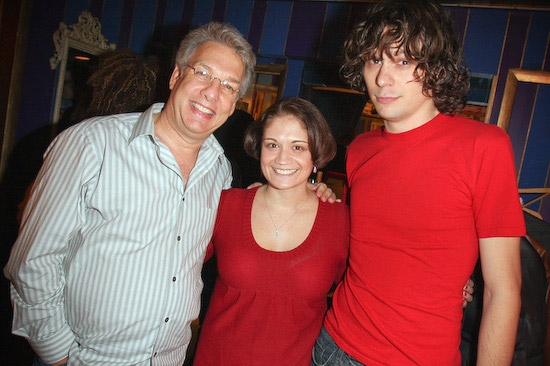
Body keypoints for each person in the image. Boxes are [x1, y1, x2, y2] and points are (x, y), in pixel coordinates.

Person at [3, 22, 257, 365]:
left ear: (234, 104)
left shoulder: (220, 172)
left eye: (228, 86)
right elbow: (33, 261)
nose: (213, 92)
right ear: (175, 76)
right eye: (203, 73)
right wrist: (58, 355)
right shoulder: (92, 144)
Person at [311, 1, 525, 365]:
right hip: (334, 346)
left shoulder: (484, 146)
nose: (382, 78)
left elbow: (503, 291)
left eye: (403, 61)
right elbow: (365, 251)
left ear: (435, 68)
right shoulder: (360, 150)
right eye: (375, 60)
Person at [193, 97, 349, 365]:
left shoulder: (340, 221)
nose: (282, 159)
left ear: (316, 155)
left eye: (298, 147)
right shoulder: (227, 205)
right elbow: (174, 264)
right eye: (272, 145)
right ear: (259, 148)